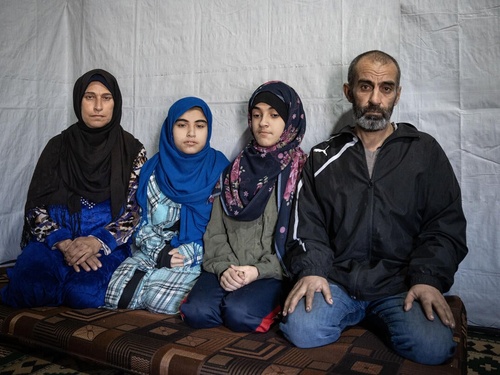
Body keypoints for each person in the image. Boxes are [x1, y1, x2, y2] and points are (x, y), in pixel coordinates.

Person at [280, 50, 468, 365]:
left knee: (432, 348)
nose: (375, 99)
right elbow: (307, 225)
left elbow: (444, 225)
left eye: (386, 88)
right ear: (348, 91)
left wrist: (427, 278)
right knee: (302, 329)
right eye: (365, 86)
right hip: (337, 281)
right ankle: (356, 313)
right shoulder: (322, 156)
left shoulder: (424, 152)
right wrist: (312, 271)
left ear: (397, 94)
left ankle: (386, 317)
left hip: (401, 284)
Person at [0, 69, 146, 308]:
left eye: (106, 98)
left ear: (115, 103)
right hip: (55, 242)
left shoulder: (132, 150)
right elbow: (35, 207)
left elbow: (134, 212)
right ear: (79, 101)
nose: (98, 106)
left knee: (83, 294)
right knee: (30, 287)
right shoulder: (58, 146)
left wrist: (97, 241)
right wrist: (64, 242)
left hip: (105, 245)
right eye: (90, 97)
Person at [180, 81, 307, 332]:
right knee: (196, 312)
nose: (263, 123)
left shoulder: (300, 173)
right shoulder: (234, 171)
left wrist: (256, 271)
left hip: (272, 271)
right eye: (257, 114)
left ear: (290, 121)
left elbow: (303, 239)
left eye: (274, 115)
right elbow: (214, 231)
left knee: (241, 314)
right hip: (229, 266)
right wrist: (225, 268)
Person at [104, 97, 229, 314]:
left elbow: (226, 230)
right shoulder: (153, 169)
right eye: (182, 125)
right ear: (170, 129)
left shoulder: (220, 170)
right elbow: (139, 222)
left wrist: (190, 253)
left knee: (162, 300)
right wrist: (161, 252)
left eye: (199, 126)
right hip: (154, 251)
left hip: (197, 257)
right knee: (115, 294)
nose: (191, 133)